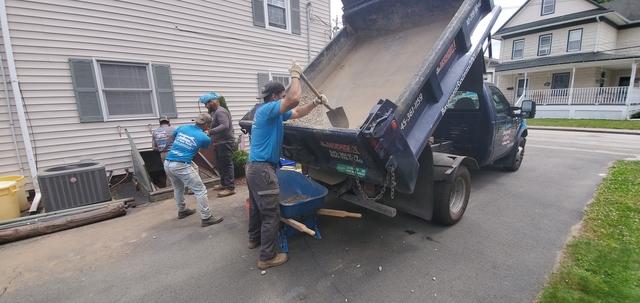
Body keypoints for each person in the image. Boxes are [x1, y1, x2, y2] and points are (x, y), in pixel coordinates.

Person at [247, 61, 326, 270]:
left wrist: (316, 104)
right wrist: (295, 76)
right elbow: (293, 99)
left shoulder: (271, 113)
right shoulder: (267, 110)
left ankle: (254, 239)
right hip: (262, 169)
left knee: (257, 207)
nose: (284, 99)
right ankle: (266, 257)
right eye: (281, 96)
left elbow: (298, 112)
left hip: (255, 168)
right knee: (270, 215)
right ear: (275, 98)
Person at [164, 113, 224, 227]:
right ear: (207, 124)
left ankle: (182, 211)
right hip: (181, 164)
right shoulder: (204, 137)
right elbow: (204, 147)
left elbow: (172, 137)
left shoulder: (183, 127)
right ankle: (206, 217)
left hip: (168, 162)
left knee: (178, 188)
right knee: (200, 190)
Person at [199, 92, 236, 198]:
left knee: (227, 165)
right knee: (220, 165)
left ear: (212, 102)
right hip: (219, 142)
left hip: (225, 142)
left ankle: (230, 188)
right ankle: (224, 184)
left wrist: (210, 132)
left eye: (207, 104)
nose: (206, 106)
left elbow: (225, 125)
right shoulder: (215, 112)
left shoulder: (220, 112)